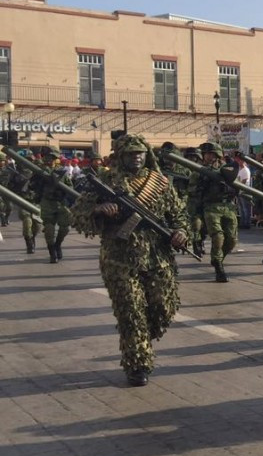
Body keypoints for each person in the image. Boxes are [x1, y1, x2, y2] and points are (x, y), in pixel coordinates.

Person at [72, 134, 188, 387]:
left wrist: (181, 232)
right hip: (119, 258)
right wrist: (99, 211)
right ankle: (138, 364)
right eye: (131, 153)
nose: (136, 157)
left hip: (158, 258)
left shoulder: (160, 183)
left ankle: (142, 338)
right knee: (131, 313)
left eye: (140, 153)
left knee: (163, 309)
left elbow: (178, 214)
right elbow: (78, 215)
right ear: (121, 156)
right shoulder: (106, 181)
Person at [190, 142, 238, 282]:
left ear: (218, 155)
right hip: (210, 207)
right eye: (206, 154)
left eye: (211, 154)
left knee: (232, 240)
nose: (209, 157)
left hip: (228, 207)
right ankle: (218, 266)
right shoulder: (198, 172)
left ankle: (218, 258)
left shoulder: (227, 169)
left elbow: (238, 185)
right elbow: (193, 194)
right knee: (218, 237)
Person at [31, 148, 74, 264]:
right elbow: (32, 186)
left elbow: (70, 186)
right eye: (48, 158)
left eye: (53, 158)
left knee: (66, 227)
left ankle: (58, 244)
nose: (50, 160)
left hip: (60, 203)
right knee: (49, 230)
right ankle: (52, 253)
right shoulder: (39, 171)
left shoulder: (61, 172)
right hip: (47, 202)